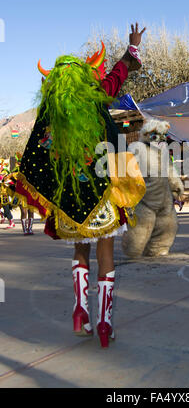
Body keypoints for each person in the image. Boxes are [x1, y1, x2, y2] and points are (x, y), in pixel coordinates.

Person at [15, 23, 146, 348]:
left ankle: (79, 313)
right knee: (105, 251)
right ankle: (103, 324)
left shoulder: (51, 112)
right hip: (101, 197)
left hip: (67, 199)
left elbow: (35, 155)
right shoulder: (96, 94)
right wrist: (132, 48)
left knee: (79, 249)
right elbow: (116, 75)